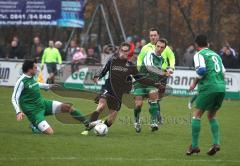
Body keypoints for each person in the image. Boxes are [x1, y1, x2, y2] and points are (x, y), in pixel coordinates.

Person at [81, 42, 160, 135]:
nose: (123, 52)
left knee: (110, 121)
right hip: (108, 88)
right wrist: (97, 76)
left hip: (118, 94)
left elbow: (140, 79)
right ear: (119, 50)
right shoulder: (112, 60)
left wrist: (154, 83)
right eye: (122, 50)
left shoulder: (131, 65)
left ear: (128, 52)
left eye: (126, 51)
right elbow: (104, 69)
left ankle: (100, 124)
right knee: (101, 106)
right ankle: (88, 128)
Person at [11, 60, 87, 135]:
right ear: (29, 69)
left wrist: (48, 86)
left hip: (42, 103)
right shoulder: (21, 81)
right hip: (33, 111)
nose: (36, 69)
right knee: (50, 132)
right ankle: (34, 125)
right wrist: (18, 112)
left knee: (67, 107)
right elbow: (14, 98)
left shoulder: (32, 77)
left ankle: (87, 123)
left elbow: (36, 84)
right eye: (35, 68)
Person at [186, 34, 226, 156]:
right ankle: (216, 143)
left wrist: (193, 84)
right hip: (221, 87)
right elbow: (223, 73)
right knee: (211, 115)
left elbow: (202, 70)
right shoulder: (216, 55)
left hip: (209, 86)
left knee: (196, 115)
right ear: (207, 44)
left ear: (196, 45)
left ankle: (194, 146)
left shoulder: (199, 54)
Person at [134, 28, 175, 132]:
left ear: (164, 48)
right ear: (155, 45)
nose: (159, 48)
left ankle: (153, 122)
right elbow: (149, 67)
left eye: (162, 47)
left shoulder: (161, 59)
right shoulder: (149, 53)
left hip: (152, 83)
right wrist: (164, 72)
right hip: (141, 83)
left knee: (154, 99)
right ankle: (136, 121)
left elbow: (160, 68)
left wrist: (168, 69)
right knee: (138, 105)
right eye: (158, 46)